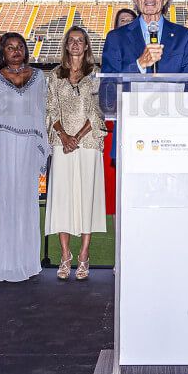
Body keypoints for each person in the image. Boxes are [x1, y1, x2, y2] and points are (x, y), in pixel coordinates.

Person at [0, 33, 47, 282]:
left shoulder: (40, 77)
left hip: (30, 143)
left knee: (26, 200)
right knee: (3, 199)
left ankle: (27, 262)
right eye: (10, 47)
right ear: (2, 52)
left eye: (20, 46)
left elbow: (42, 110)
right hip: (3, 143)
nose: (16, 50)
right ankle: (1, 263)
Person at [45, 27, 107, 281]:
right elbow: (50, 109)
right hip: (62, 146)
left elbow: (98, 112)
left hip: (88, 144)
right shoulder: (54, 76)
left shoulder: (96, 76)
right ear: (66, 45)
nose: (76, 44)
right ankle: (65, 255)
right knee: (63, 199)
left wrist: (77, 137)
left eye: (80, 41)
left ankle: (83, 255)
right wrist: (64, 136)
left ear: (86, 46)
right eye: (71, 40)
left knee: (86, 198)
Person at [103, 7, 138, 216]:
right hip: (119, 120)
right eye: (122, 20)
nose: (126, 23)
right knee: (118, 193)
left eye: (130, 20)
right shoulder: (113, 48)